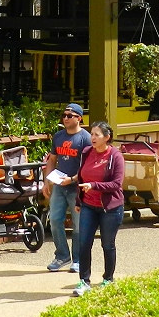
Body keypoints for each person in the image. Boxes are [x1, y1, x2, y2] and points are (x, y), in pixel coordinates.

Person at [72, 122, 125, 297]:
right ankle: (84, 281)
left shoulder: (115, 156)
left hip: (110, 207)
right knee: (84, 243)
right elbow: (80, 177)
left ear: (106, 137)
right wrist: (79, 201)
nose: (92, 138)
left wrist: (94, 185)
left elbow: (117, 184)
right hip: (88, 205)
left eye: (96, 135)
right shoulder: (87, 152)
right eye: (91, 134)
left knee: (107, 244)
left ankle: (108, 279)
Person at [44, 103, 89, 272]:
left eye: (70, 116)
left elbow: (87, 166)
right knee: (55, 220)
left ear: (79, 118)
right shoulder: (58, 136)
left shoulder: (85, 138)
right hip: (58, 185)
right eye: (64, 115)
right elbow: (52, 160)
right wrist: (46, 182)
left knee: (78, 225)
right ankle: (62, 255)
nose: (65, 118)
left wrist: (71, 179)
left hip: (77, 187)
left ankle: (78, 259)